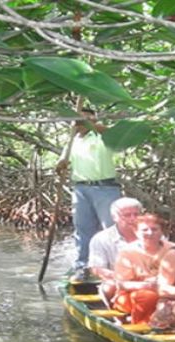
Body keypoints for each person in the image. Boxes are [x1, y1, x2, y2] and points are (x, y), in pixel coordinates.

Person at [56, 109, 121, 272]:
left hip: (105, 188)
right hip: (80, 189)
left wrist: (90, 123)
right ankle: (82, 266)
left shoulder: (102, 137)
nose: (80, 123)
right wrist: (61, 164)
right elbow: (62, 161)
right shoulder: (72, 141)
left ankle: (115, 267)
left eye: (86, 119)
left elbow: (113, 134)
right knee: (83, 229)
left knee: (112, 230)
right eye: (78, 120)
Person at [112, 214, 175, 324]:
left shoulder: (173, 249)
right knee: (148, 296)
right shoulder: (127, 252)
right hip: (130, 294)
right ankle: (140, 325)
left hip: (166, 291)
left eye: (155, 229)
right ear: (136, 232)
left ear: (162, 232)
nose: (150, 233)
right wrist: (148, 285)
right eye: (145, 230)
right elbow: (121, 284)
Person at [87, 197, 143, 282]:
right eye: (127, 215)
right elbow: (97, 269)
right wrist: (125, 279)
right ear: (114, 217)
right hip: (116, 283)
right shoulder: (100, 239)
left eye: (136, 214)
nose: (133, 218)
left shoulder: (153, 234)